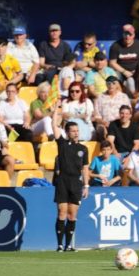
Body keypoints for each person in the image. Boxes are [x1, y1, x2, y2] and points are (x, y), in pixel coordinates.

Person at [51, 104, 90, 252]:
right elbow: (54, 125)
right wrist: (56, 111)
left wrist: (86, 185)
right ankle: (60, 244)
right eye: (73, 131)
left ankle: (69, 244)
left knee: (72, 215)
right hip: (62, 181)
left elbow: (85, 168)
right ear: (67, 132)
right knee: (62, 212)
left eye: (77, 131)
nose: (76, 133)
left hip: (76, 183)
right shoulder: (62, 144)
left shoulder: (83, 149)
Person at [109, 24, 139, 94]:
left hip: (136, 72)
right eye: (125, 34)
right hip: (121, 72)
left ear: (133, 35)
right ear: (122, 35)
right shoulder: (115, 46)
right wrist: (124, 71)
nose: (127, 37)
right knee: (114, 75)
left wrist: (138, 70)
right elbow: (112, 63)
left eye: (130, 35)